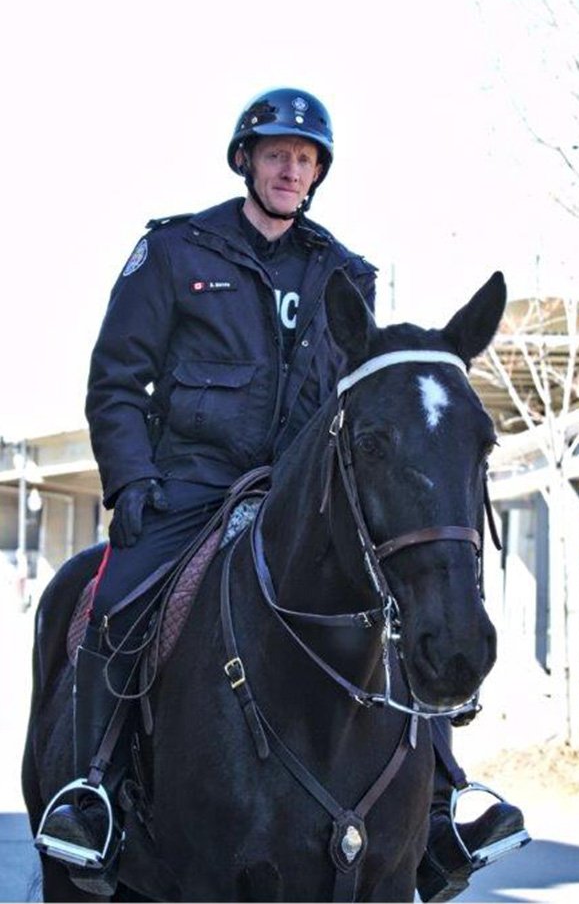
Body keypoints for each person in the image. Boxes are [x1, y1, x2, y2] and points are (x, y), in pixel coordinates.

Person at [35, 87, 528, 900]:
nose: (290, 169)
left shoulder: (344, 271)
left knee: (387, 614)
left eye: (305, 160)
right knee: (117, 596)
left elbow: (357, 398)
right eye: (276, 155)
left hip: (302, 488)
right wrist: (132, 482)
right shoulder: (174, 252)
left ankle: (442, 800)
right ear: (246, 161)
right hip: (189, 485)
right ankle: (95, 795)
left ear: (317, 173)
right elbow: (117, 379)